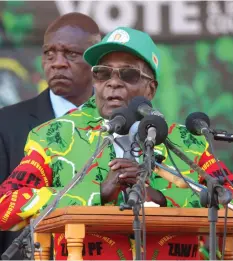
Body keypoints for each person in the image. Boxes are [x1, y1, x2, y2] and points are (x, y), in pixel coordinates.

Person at [0, 26, 232, 260]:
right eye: (102, 73)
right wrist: (97, 193)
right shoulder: (55, 136)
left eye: (128, 75)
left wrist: (161, 197)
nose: (113, 83)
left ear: (151, 89)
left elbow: (229, 197)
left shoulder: (185, 141)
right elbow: (5, 203)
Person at [0, 12, 101, 259]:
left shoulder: (117, 125)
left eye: (71, 54)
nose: (57, 63)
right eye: (49, 53)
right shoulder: (6, 124)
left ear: (97, 62)